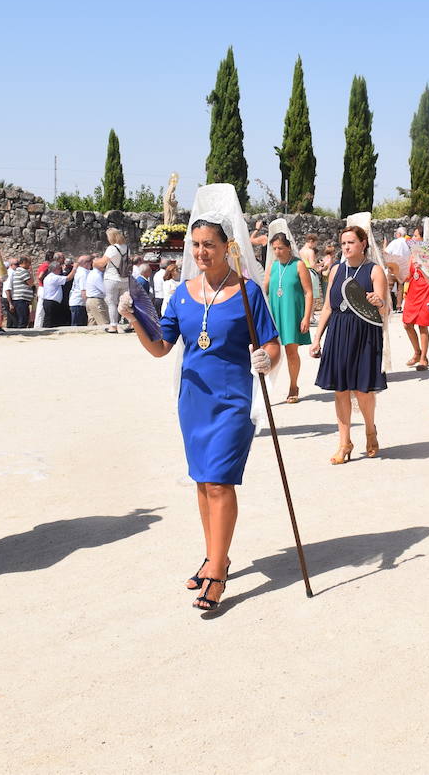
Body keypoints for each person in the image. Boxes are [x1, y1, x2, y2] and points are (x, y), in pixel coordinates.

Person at [120, 194, 279, 614]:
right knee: (202, 481)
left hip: (231, 400)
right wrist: (136, 317)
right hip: (192, 400)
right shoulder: (182, 294)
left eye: (209, 244)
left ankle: (218, 572)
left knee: (220, 481)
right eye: (196, 245)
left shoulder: (247, 293)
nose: (201, 252)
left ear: (228, 247)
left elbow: (271, 346)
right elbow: (161, 347)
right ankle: (215, 554)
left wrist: (265, 358)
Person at [311, 226, 388, 462]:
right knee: (340, 389)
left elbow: (384, 309)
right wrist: (317, 338)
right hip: (338, 331)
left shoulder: (374, 271)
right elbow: (327, 307)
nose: (346, 247)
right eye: (343, 243)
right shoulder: (335, 270)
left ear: (363, 243)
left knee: (362, 391)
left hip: (365, 333)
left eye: (351, 242)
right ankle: (344, 442)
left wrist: (379, 301)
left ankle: (370, 430)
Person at [265, 233, 314, 404]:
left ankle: (293, 386)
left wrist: (306, 317)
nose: (277, 252)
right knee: (268, 352)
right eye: (274, 249)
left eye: (280, 248)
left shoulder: (298, 265)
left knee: (291, 351)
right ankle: (264, 391)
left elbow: (308, 292)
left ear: (288, 247)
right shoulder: (272, 267)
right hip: (274, 314)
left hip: (292, 313)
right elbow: (263, 290)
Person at [401, 222, 429, 371]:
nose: (414, 238)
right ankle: (417, 351)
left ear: (423, 238)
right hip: (413, 292)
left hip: (427, 291)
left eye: (416, 235)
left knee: (423, 325)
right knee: (406, 324)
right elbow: (408, 276)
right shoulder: (412, 254)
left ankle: (423, 358)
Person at [95, 228, 133, 334]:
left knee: (112, 302)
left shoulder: (112, 248)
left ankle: (113, 326)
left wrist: (95, 262)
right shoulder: (127, 248)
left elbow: (102, 263)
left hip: (112, 278)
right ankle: (132, 323)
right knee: (126, 302)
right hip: (125, 278)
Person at [39, 255, 69, 327]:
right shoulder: (54, 277)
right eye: (59, 268)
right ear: (55, 269)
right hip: (51, 302)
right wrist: (74, 269)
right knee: (49, 321)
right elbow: (68, 278)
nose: (60, 270)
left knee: (49, 320)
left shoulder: (49, 277)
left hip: (49, 301)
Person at [6, 255, 35, 328]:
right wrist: (31, 273)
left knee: (23, 319)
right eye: (29, 263)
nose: (30, 265)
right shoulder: (23, 271)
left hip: (21, 299)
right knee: (23, 320)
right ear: (24, 262)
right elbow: (31, 283)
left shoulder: (19, 270)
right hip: (21, 300)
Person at [68, 254, 92, 327]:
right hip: (79, 303)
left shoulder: (82, 271)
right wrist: (88, 305)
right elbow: (83, 290)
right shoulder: (83, 273)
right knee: (78, 327)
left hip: (77, 303)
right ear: (85, 263)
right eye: (90, 261)